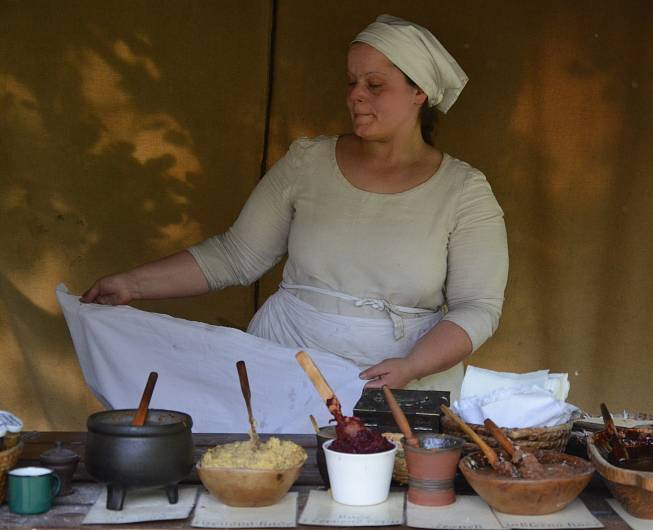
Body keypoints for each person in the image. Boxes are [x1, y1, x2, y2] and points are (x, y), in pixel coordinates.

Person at [81, 15, 508, 399]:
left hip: (407, 385)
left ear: (420, 92)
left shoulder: (463, 190)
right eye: (351, 82)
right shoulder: (308, 163)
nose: (356, 95)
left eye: (374, 85)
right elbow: (236, 256)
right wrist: (132, 285)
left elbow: (477, 306)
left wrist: (413, 366)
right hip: (287, 366)